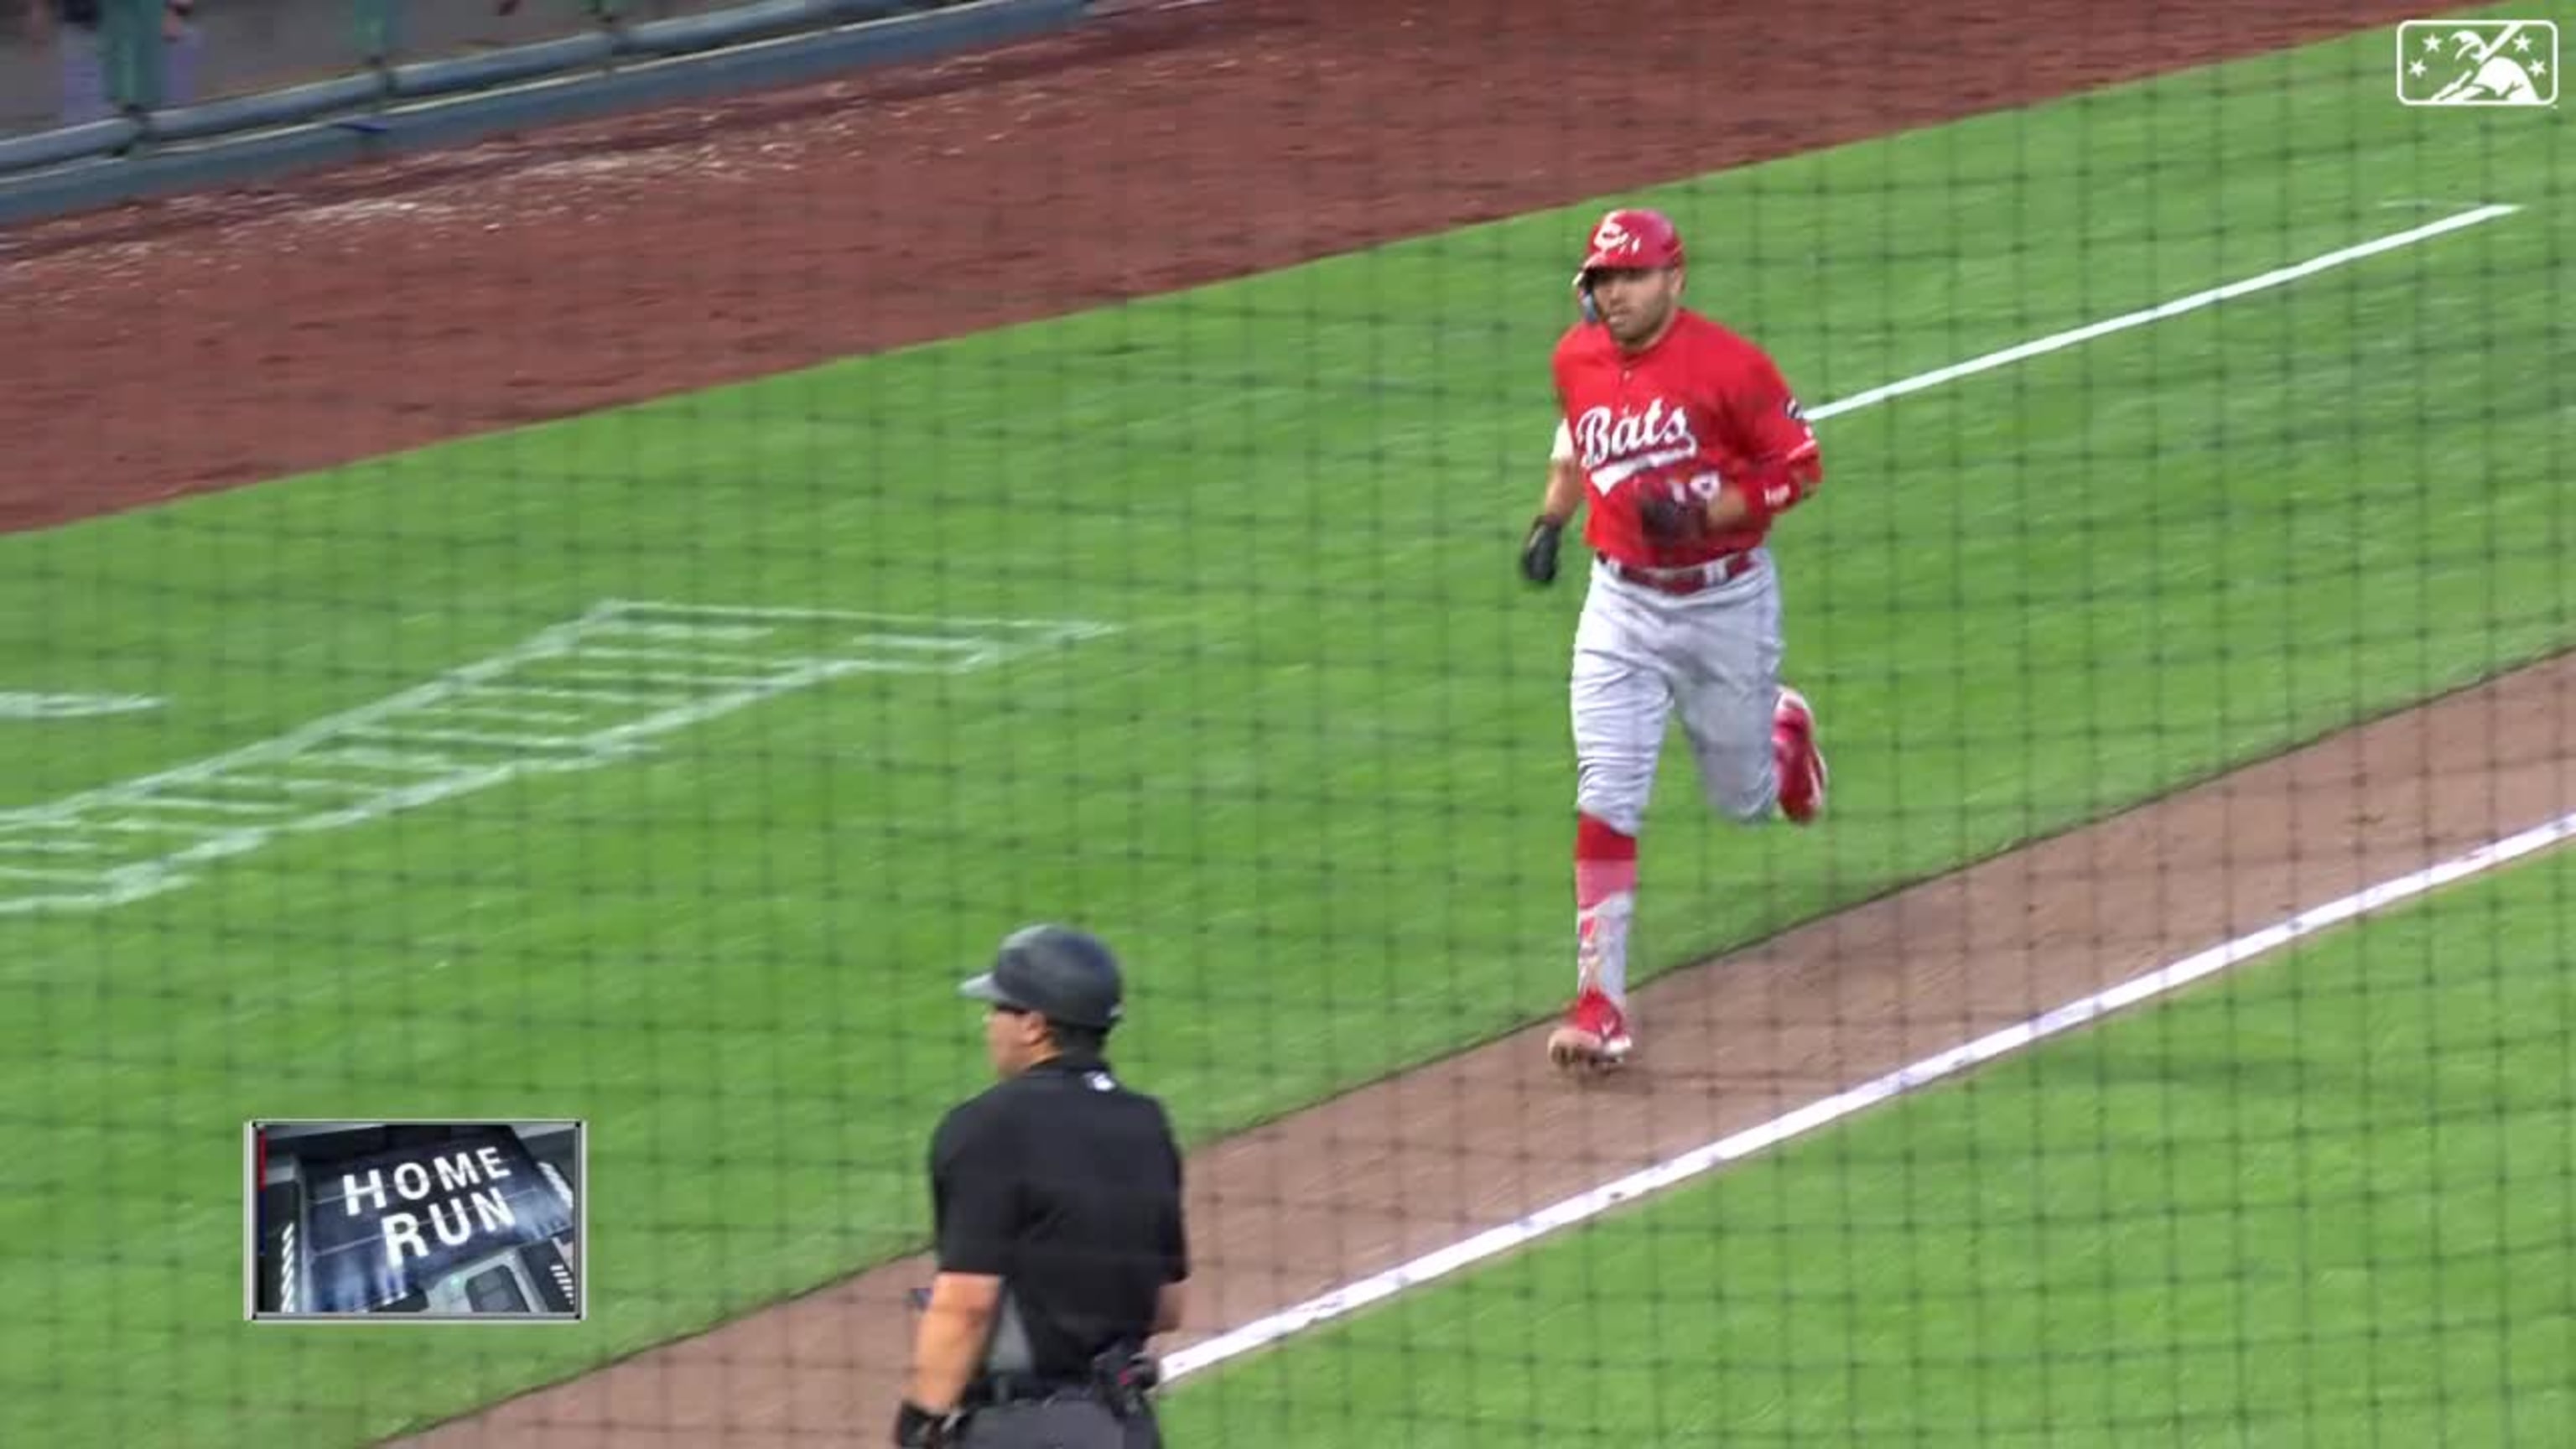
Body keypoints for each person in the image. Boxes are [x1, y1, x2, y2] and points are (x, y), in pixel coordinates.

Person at [1516, 206, 1833, 1075]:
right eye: (1601, 280)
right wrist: (1550, 520)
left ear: (1674, 278)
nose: (1612, 293)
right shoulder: (1575, 357)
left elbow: (1800, 468)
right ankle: (1599, 1006)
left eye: (1629, 277)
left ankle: (1784, 738)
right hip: (1619, 608)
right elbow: (1574, 443)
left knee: (1741, 801)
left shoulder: (1729, 366)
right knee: (1607, 789)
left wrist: (1704, 513)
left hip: (1725, 606)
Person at [894, 924, 1188, 1449]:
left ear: (1032, 1026)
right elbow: (1167, 1306)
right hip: (1125, 1428)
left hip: (1026, 1432)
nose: (989, 1023)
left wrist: (918, 1422)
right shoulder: (1146, 1122)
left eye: (998, 1008)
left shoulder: (986, 1127)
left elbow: (965, 1304)